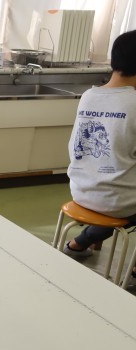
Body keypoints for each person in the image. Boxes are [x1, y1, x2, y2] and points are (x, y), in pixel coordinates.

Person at [63, 29, 136, 277]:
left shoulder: (89, 96)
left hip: (81, 190)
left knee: (113, 192)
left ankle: (78, 244)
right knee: (119, 199)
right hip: (117, 201)